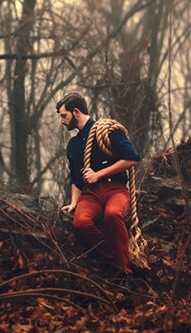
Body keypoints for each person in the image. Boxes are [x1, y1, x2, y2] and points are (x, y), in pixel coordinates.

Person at [57, 92, 140, 274]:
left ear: (76, 112)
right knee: (80, 223)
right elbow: (75, 178)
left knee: (113, 214)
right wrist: (73, 202)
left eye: (64, 116)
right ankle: (119, 257)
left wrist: (98, 174)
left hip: (115, 189)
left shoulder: (107, 131)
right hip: (90, 195)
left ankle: (123, 272)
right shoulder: (73, 144)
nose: (61, 121)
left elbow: (131, 159)